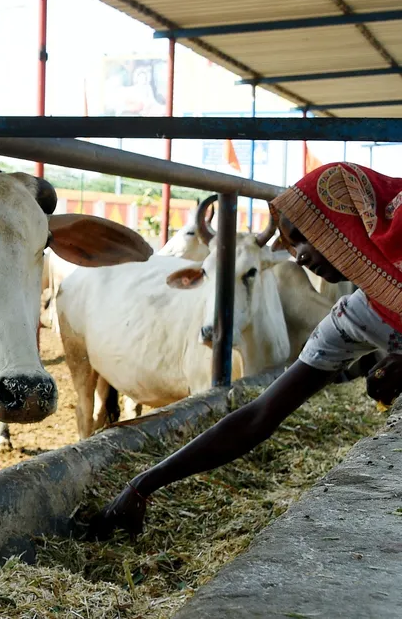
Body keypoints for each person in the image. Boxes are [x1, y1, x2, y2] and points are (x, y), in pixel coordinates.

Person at [94, 162, 402, 538]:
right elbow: (259, 415)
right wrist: (144, 483)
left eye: (306, 235)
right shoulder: (355, 318)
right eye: (292, 244)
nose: (299, 256)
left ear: (352, 223)